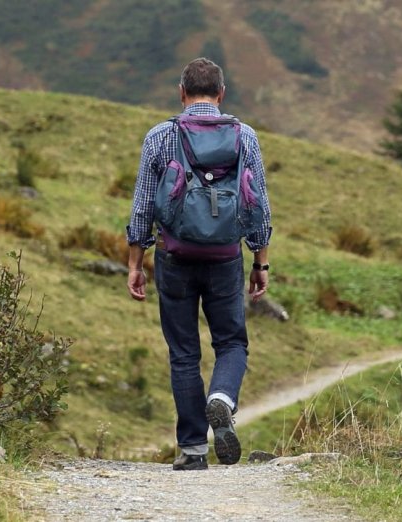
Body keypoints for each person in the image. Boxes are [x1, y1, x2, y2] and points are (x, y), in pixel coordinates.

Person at [125, 57, 272, 470]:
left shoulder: (159, 136)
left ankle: (192, 449)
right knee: (231, 342)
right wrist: (260, 262)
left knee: (184, 352)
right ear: (221, 93)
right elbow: (258, 204)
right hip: (226, 257)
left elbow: (141, 207)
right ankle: (221, 398)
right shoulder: (245, 137)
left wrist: (136, 262)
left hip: (174, 256)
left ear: (181, 92)